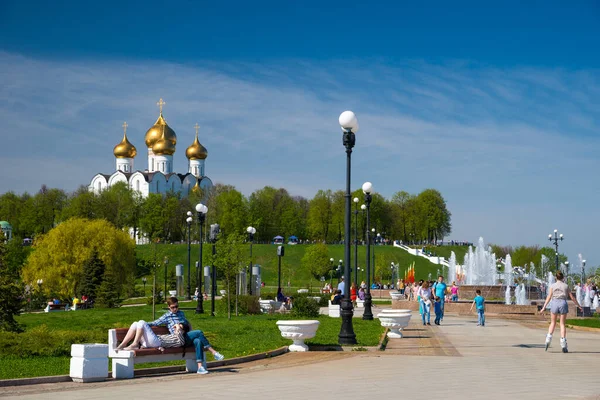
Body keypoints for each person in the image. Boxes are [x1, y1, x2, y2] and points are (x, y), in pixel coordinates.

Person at [539, 271, 582, 353]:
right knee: (562, 324)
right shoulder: (566, 286)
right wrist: (578, 305)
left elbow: (549, 297)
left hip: (554, 302)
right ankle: (563, 342)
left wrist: (544, 307)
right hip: (563, 302)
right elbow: (572, 297)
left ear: (556, 277)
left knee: (553, 323)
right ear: (563, 278)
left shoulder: (553, 286)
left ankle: (548, 338)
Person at [116, 320, 189, 351]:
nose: (177, 329)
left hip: (156, 342)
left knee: (142, 322)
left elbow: (180, 339)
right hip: (151, 343)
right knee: (136, 323)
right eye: (177, 327)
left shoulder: (181, 340)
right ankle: (123, 344)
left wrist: (178, 326)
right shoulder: (173, 335)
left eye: (180, 328)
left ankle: (135, 343)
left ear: (183, 331)